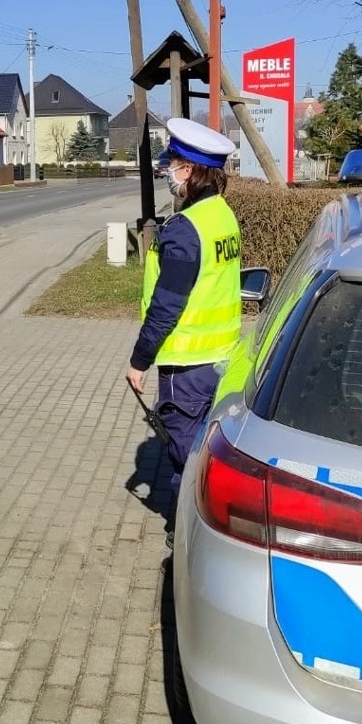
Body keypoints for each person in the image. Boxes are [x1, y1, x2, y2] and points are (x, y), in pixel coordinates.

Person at [126, 117, 242, 541]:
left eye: (172, 164)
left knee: (186, 458)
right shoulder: (222, 215)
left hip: (186, 366)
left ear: (189, 171)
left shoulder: (184, 231)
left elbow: (166, 306)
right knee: (205, 449)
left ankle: (187, 540)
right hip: (222, 359)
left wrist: (139, 362)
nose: (168, 172)